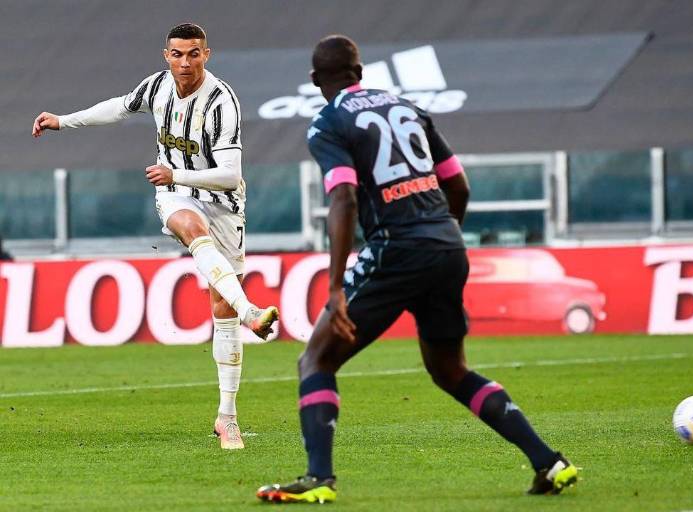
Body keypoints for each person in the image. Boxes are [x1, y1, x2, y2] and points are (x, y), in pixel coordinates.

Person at [256, 35, 577, 503]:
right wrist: (440, 240)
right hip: (446, 245)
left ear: (313, 81)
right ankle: (550, 462)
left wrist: (335, 287)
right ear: (359, 72)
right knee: (450, 370)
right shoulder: (407, 108)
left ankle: (319, 480)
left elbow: (342, 197)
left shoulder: (328, 123)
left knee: (317, 359)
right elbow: (458, 186)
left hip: (395, 249)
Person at [31, 23, 278, 450]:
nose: (185, 62)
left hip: (223, 202)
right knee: (189, 226)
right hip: (176, 193)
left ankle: (227, 417)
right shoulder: (157, 86)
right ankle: (251, 312)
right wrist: (62, 121)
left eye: (194, 54)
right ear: (166, 55)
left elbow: (230, 174)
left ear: (207, 55)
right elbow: (119, 107)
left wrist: (175, 171)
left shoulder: (222, 101)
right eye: (178, 54)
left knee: (220, 304)